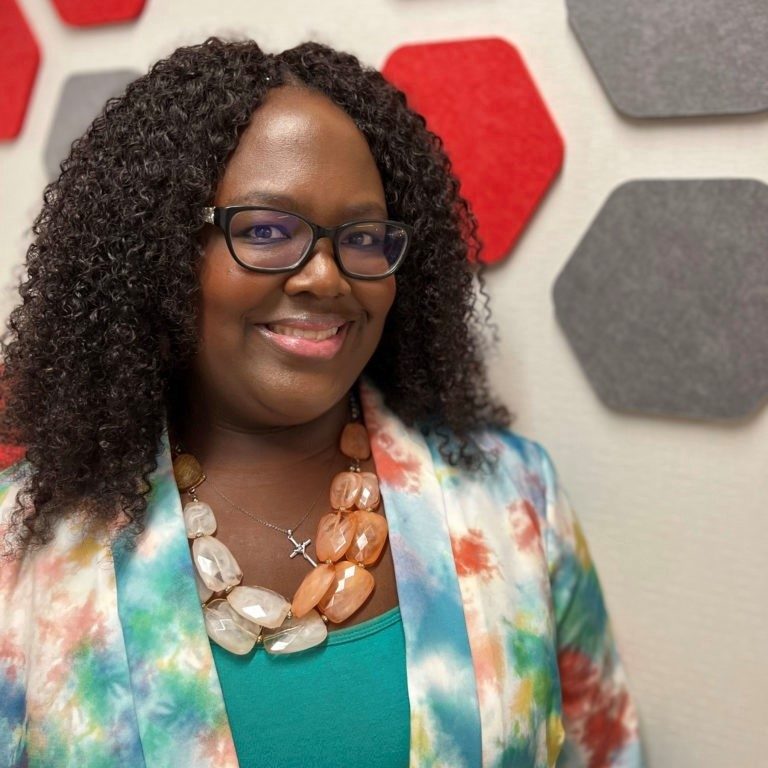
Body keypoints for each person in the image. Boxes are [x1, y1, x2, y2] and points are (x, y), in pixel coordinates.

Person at [0, 38, 643, 768]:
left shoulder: (516, 501)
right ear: (163, 251)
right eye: (268, 231)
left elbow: (606, 752)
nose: (326, 276)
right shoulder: (23, 547)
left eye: (363, 238)